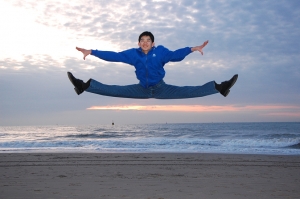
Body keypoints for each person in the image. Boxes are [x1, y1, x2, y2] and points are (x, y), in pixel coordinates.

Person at [67, 31, 238, 99]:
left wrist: (192, 49)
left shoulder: (161, 52)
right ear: (139, 43)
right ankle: (84, 86)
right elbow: (115, 56)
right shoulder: (133, 54)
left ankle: (219, 87)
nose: (145, 42)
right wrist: (92, 51)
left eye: (148, 40)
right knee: (115, 90)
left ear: (153, 43)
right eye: (142, 40)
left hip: (161, 88)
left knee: (187, 91)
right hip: (141, 89)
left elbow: (174, 56)